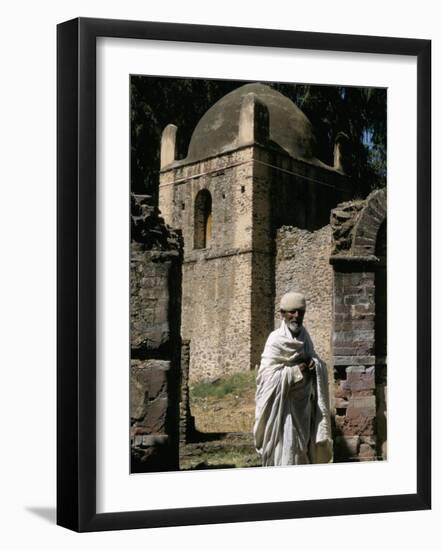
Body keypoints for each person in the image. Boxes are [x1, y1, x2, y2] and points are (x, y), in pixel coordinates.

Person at [253, 291, 332, 466]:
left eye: (300, 312)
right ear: (282, 313)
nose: (297, 316)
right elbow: (266, 379)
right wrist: (297, 370)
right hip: (282, 409)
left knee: (302, 452)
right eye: (292, 312)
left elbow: (317, 361)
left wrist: (314, 364)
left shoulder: (305, 336)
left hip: (303, 408)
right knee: (286, 452)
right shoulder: (275, 339)